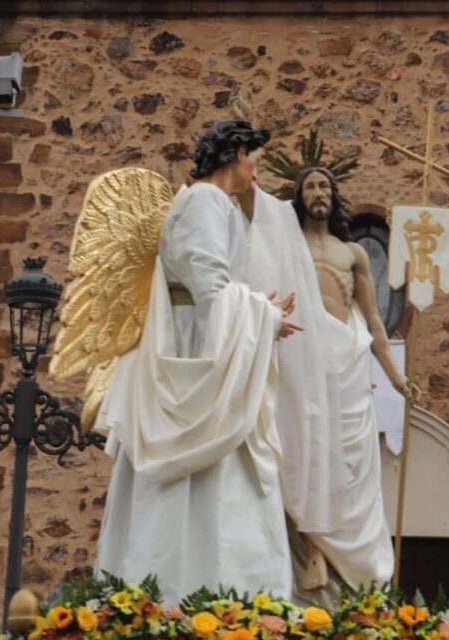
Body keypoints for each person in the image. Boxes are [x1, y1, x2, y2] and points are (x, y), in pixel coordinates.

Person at [95, 120, 300, 605]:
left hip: (205, 342)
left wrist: (253, 306)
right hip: (199, 349)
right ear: (235, 154)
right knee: (219, 477)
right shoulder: (207, 200)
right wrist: (264, 316)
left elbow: (214, 287)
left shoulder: (206, 202)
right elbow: (208, 289)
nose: (256, 171)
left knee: (214, 481)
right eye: (254, 158)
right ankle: (209, 599)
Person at [289, 166, 411, 599]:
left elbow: (374, 320)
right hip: (302, 363)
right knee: (303, 457)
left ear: (334, 195)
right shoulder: (287, 247)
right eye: (310, 186)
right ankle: (311, 548)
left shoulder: (353, 254)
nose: (318, 192)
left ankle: (352, 564)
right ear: (299, 196)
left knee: (346, 465)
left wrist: (396, 376)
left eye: (324, 185)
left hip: (345, 366)